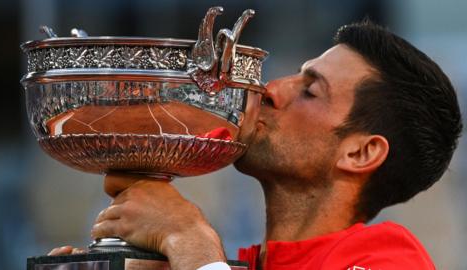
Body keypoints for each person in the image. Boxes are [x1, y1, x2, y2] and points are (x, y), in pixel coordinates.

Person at [50, 21, 462, 270]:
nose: (271, 88)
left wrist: (189, 239)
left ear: (359, 152)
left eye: (310, 90)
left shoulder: (391, 260)